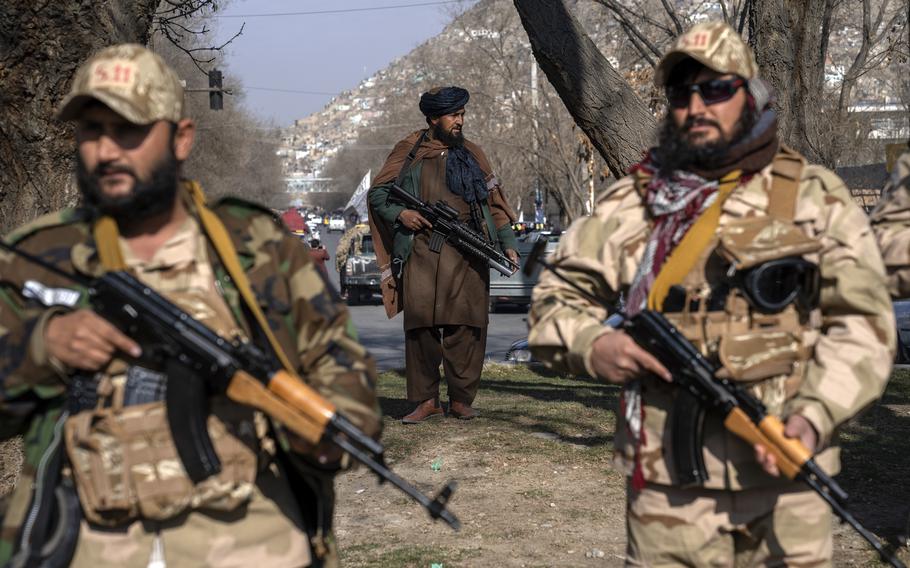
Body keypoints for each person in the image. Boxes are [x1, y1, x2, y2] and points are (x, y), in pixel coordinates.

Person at [528, 21, 895, 566]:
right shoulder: (635, 204)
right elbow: (554, 303)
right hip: (670, 492)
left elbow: (864, 324)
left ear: (751, 95)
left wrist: (815, 414)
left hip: (788, 479)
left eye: (717, 88)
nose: (697, 105)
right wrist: (594, 346)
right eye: (682, 92)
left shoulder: (815, 199)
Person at [0, 44, 380, 567]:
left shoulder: (255, 248)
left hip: (249, 537)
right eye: (91, 131)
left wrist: (324, 430)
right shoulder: (37, 257)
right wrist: (44, 346)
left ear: (181, 139)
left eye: (129, 130)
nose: (107, 151)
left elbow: (341, 365)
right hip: (86, 539)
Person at [368, 86, 519, 423]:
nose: (460, 121)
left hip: (468, 251)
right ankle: (426, 400)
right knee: (421, 329)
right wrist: (401, 214)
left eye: (463, 114)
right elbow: (378, 194)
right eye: (454, 115)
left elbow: (494, 204)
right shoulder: (408, 151)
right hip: (421, 251)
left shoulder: (473, 154)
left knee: (466, 328)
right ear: (433, 118)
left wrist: (507, 241)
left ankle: (461, 400)